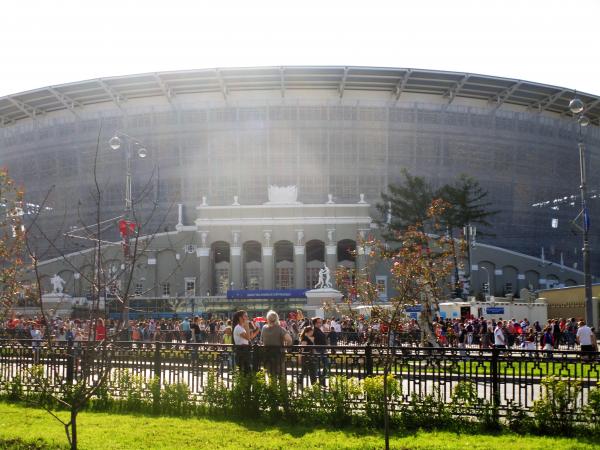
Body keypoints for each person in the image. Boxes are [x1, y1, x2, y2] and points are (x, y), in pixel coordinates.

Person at [260, 310, 292, 381]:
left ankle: (272, 391)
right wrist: (286, 348)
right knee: (282, 377)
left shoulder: (264, 328)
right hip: (279, 356)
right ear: (277, 318)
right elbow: (289, 340)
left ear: (267, 319)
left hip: (267, 355)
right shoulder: (280, 329)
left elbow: (261, 340)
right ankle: (282, 391)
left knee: (271, 378)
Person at [232, 310, 260, 374]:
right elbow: (248, 338)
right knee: (245, 372)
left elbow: (250, 338)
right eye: (245, 316)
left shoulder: (241, 328)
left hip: (244, 352)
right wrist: (247, 326)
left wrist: (257, 330)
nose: (247, 317)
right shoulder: (238, 328)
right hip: (241, 352)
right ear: (240, 318)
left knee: (247, 372)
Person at [312, 317, 329, 386]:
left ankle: (322, 380)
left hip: (323, 350)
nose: (320, 323)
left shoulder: (319, 330)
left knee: (326, 366)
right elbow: (312, 341)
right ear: (315, 323)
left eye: (321, 322)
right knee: (318, 367)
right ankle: (320, 382)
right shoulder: (313, 330)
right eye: (319, 322)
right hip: (318, 350)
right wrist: (314, 350)